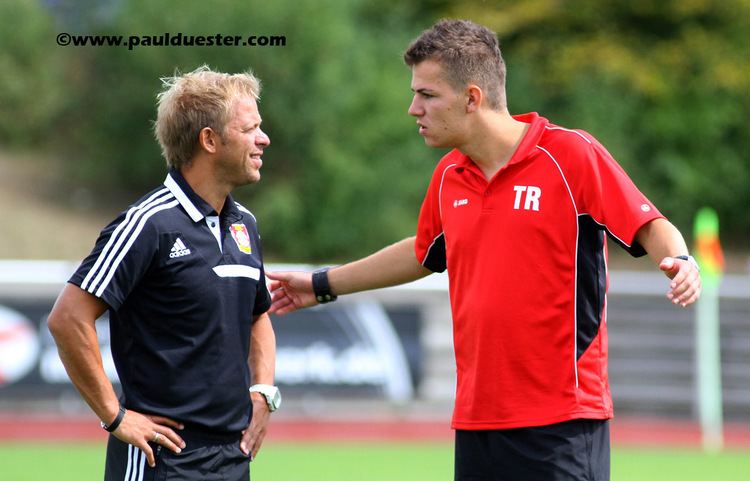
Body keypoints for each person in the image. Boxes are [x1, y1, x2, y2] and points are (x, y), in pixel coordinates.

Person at [267, 19, 702, 481]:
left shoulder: (570, 155)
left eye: (427, 95)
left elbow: (650, 224)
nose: (413, 109)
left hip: (562, 424)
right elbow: (423, 253)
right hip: (477, 423)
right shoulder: (449, 175)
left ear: (472, 98)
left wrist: (681, 261)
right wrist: (322, 284)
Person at [47, 66, 281, 481]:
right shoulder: (147, 224)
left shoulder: (246, 223)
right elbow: (68, 318)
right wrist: (115, 418)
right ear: (209, 140)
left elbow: (257, 314)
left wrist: (263, 392)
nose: (264, 139)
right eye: (250, 129)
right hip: (160, 459)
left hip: (233, 456)